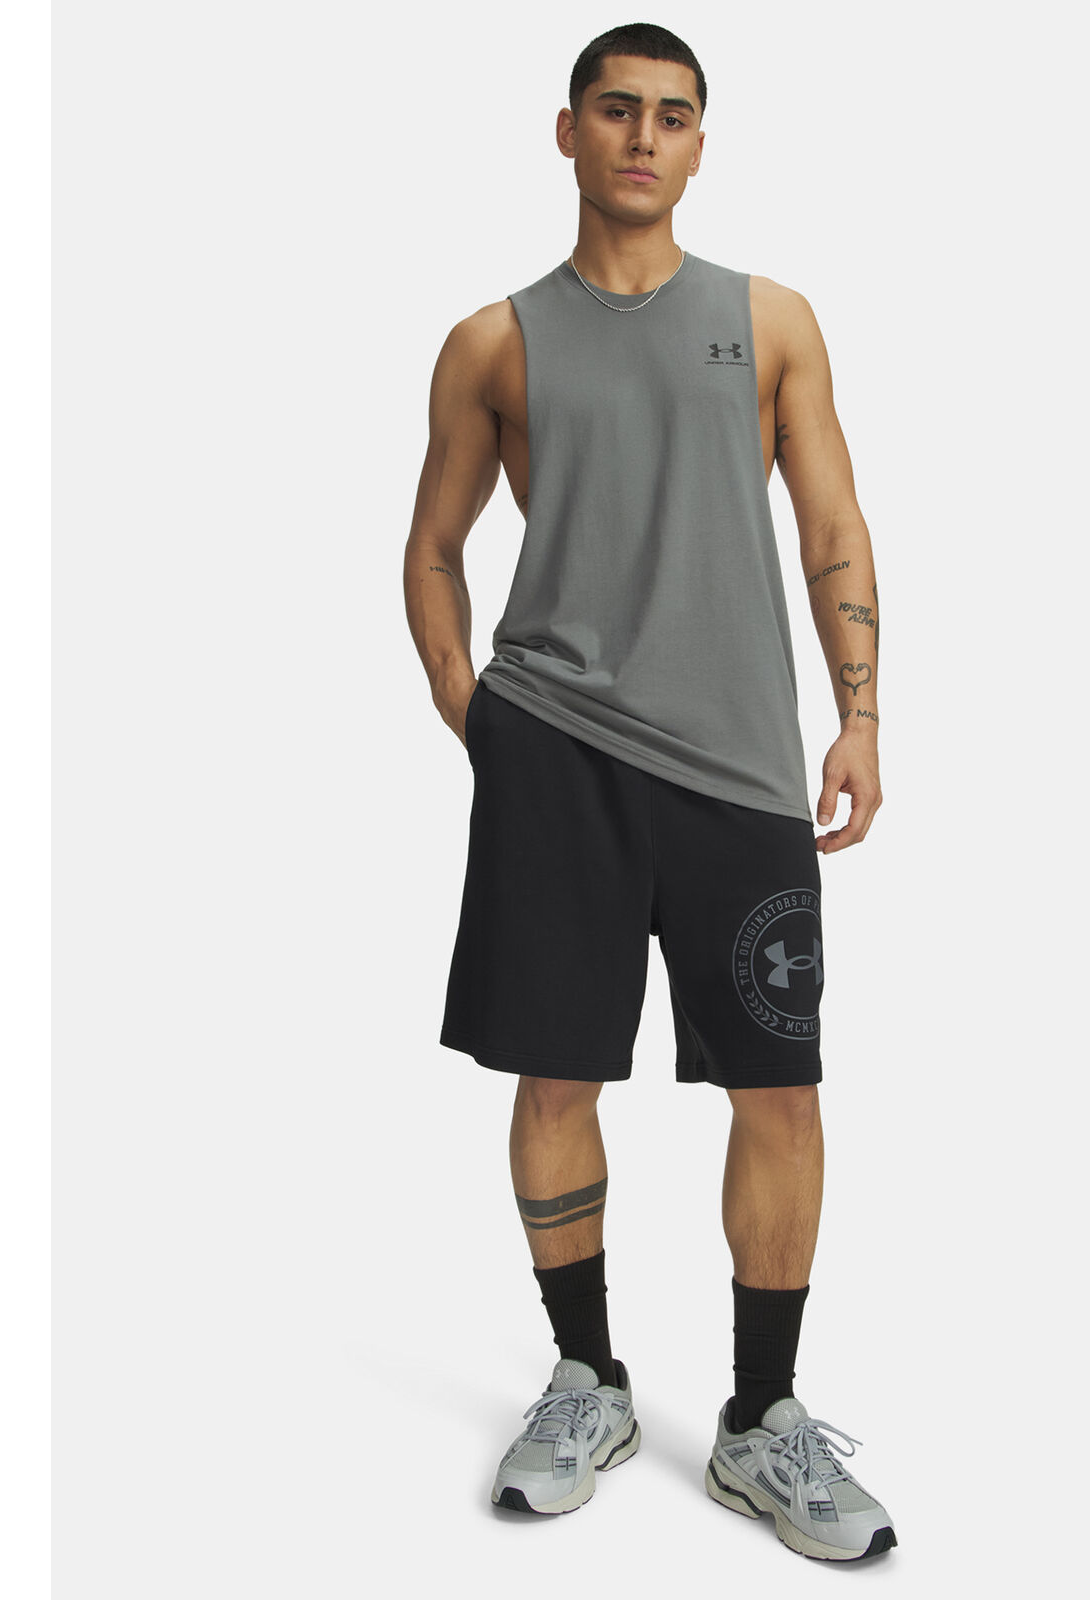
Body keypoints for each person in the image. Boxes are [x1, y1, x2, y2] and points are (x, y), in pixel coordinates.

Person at [403, 23, 894, 1563]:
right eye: (616, 110)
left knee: (782, 1091)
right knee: (556, 1079)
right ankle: (587, 1380)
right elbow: (432, 550)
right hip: (556, 756)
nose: (642, 136)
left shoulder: (771, 320)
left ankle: (761, 1419)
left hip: (740, 770)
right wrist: (480, 720)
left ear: (698, 144)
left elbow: (834, 527)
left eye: (672, 116)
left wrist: (859, 716)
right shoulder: (494, 342)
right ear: (568, 131)